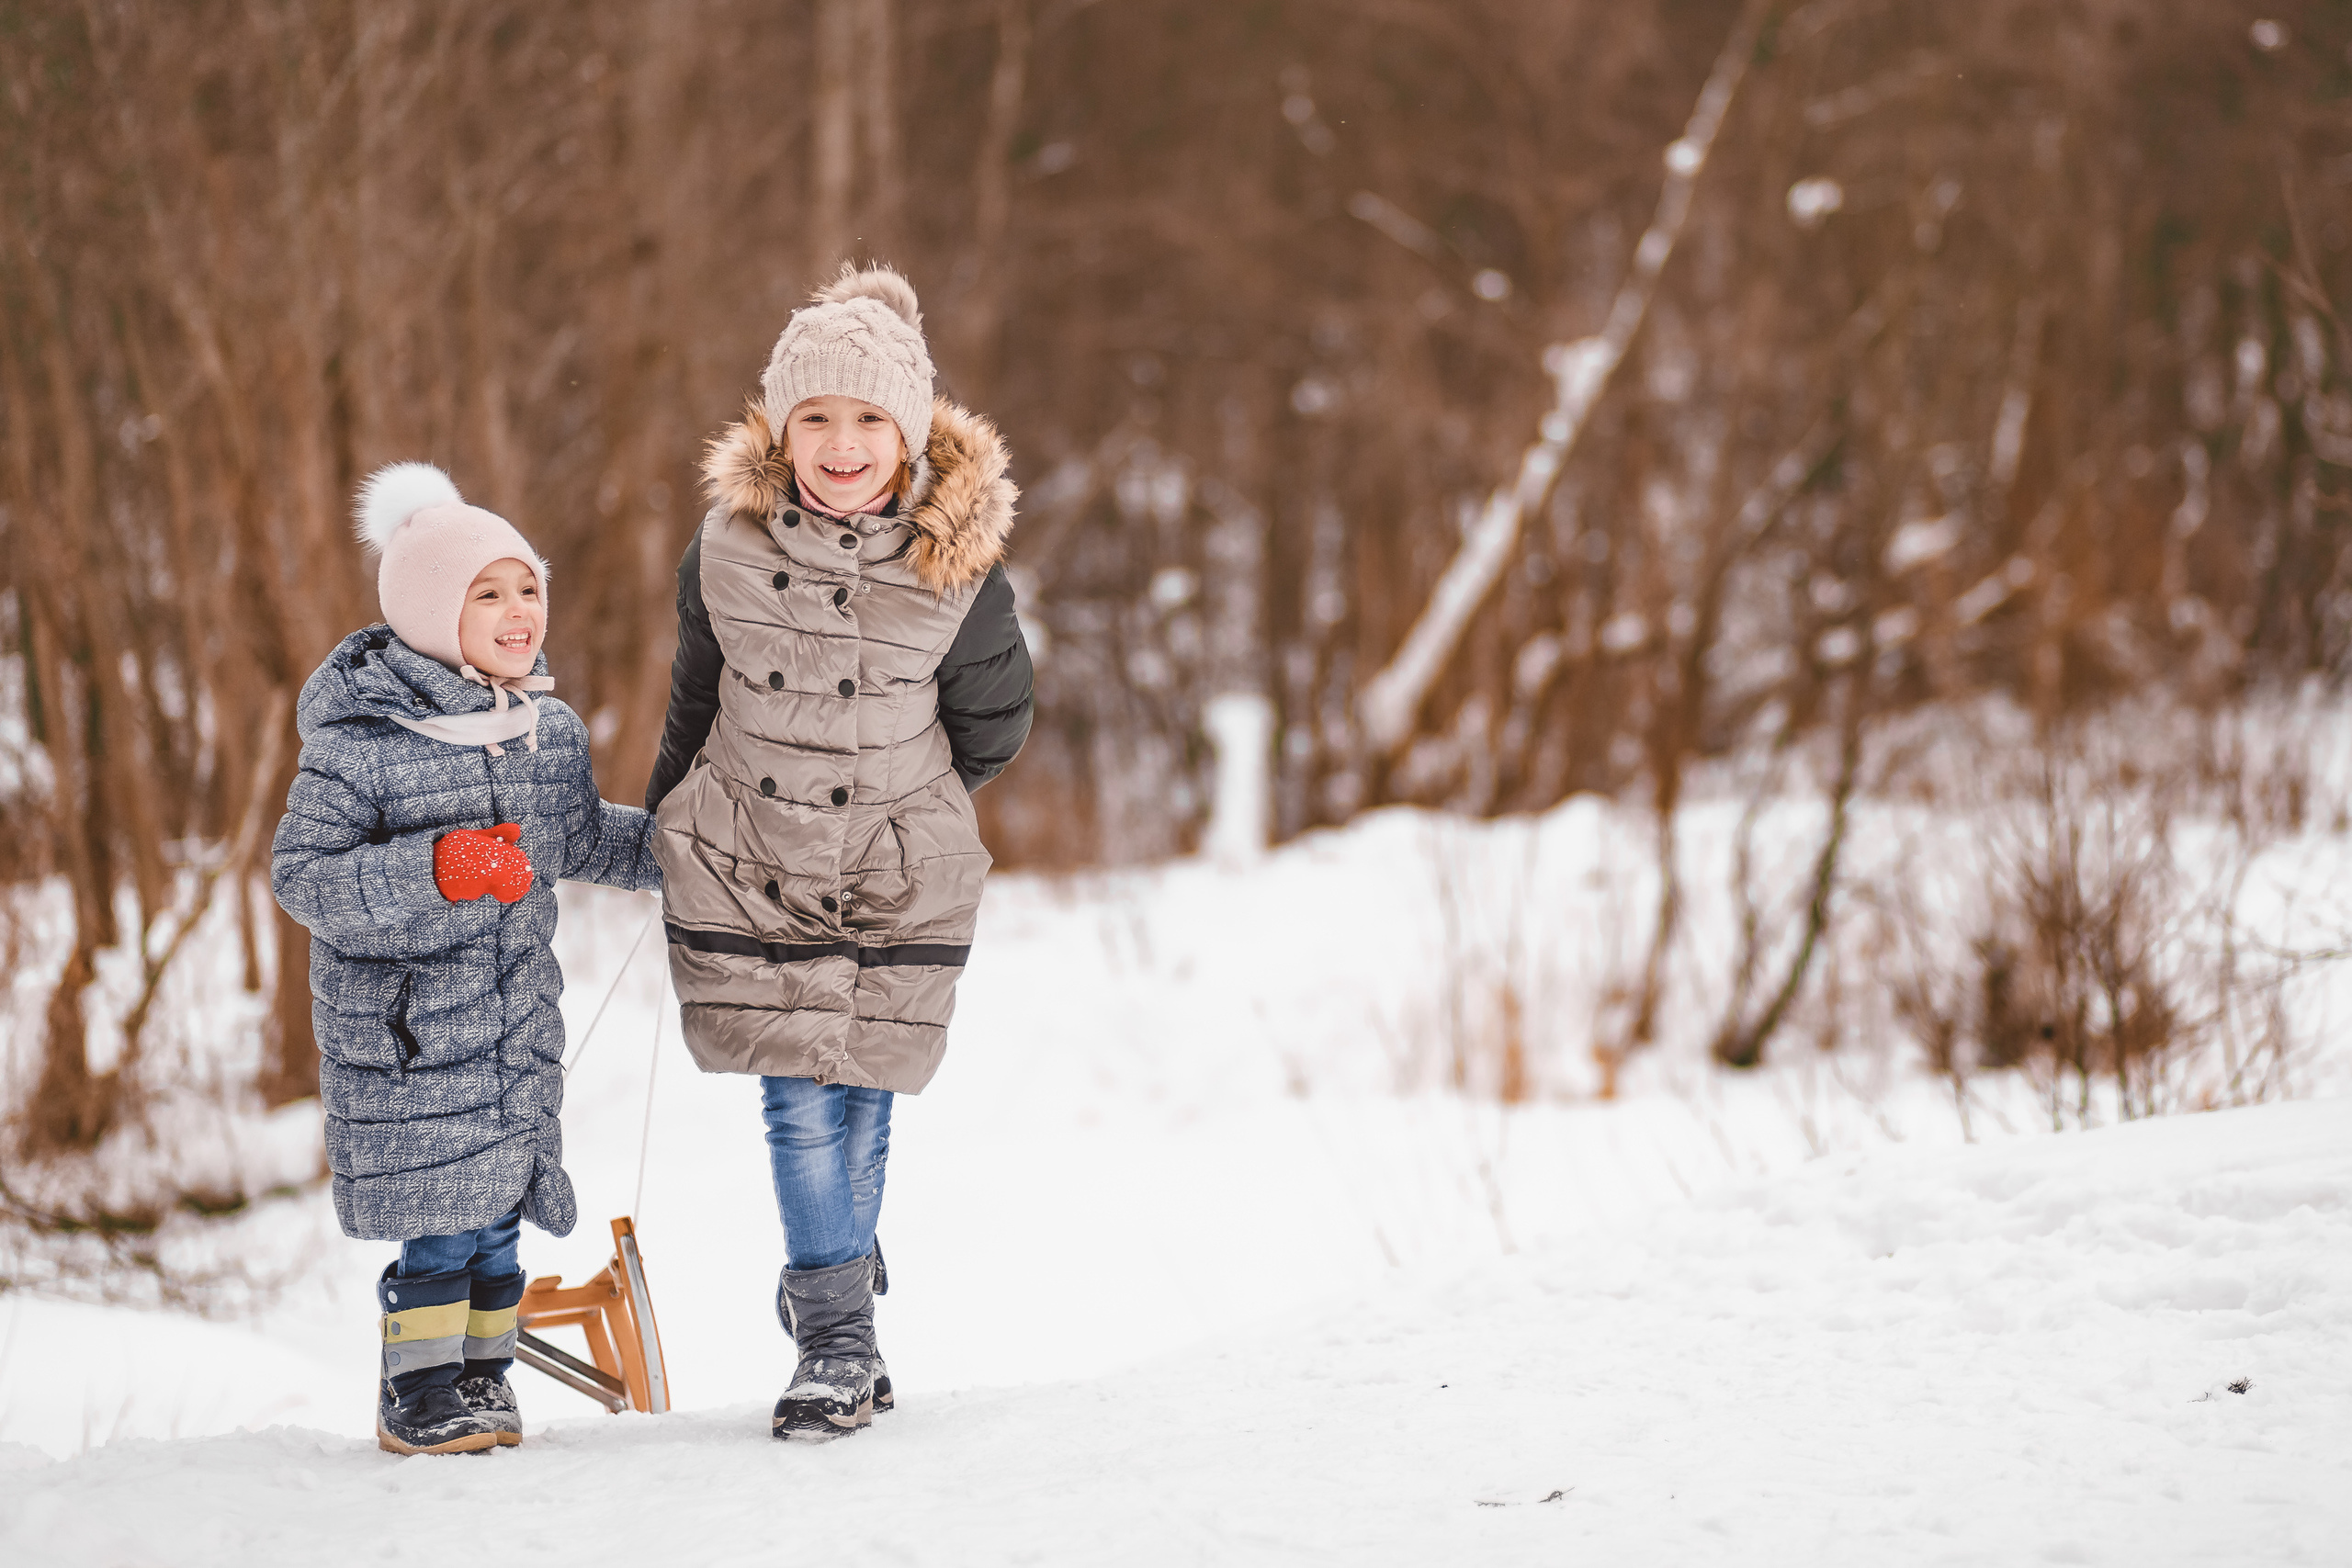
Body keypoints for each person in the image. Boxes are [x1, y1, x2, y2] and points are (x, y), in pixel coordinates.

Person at [646, 263, 1034, 1441]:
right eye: (816, 416)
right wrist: (668, 824)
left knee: (862, 1081)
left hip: (890, 860)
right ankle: (835, 1339)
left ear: (909, 434)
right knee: (797, 1092)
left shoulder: (954, 574)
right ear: (780, 427)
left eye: (868, 418)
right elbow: (693, 701)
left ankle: (836, 1307)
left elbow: (995, 721)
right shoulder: (725, 547)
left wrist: (905, 804)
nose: (842, 442)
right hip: (753, 855)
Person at [273, 465, 661, 1454]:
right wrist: (438, 868)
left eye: (527, 586)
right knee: (441, 1218)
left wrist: (677, 851)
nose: (517, 610)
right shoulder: (360, 744)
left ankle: (484, 1381)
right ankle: (417, 1389)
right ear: (430, 611)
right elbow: (304, 876)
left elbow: (575, 839)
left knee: (498, 1219)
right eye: (487, 593)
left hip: (510, 1021)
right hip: (408, 1033)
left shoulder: (543, 731)